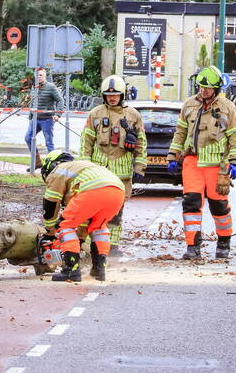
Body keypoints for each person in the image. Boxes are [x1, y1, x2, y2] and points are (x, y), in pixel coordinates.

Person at [167, 65, 236, 260]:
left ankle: (224, 243)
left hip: (217, 164)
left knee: (219, 206)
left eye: (207, 88)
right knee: (191, 204)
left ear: (216, 88)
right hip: (192, 161)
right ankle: (193, 246)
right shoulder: (189, 105)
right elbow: (180, 132)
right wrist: (173, 155)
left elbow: (235, 136)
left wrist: (235, 161)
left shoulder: (227, 108)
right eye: (200, 87)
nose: (203, 90)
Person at [79, 75, 147, 255]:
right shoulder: (96, 113)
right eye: (109, 95)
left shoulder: (133, 115)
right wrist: (84, 166)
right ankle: (88, 246)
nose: (112, 97)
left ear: (123, 94)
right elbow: (86, 141)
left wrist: (139, 166)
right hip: (98, 171)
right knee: (92, 209)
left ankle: (113, 246)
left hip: (122, 172)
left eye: (116, 94)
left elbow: (141, 143)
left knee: (116, 211)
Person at [40, 150, 126, 282]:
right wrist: (78, 239)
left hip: (93, 189)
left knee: (65, 224)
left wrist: (49, 233)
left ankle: (71, 270)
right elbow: (83, 219)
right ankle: (99, 269)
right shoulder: (81, 169)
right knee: (98, 227)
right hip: (117, 190)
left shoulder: (57, 171)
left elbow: (51, 204)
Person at [24, 68, 64, 165]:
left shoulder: (51, 87)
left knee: (49, 143)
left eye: (41, 75)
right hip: (35, 119)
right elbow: (32, 102)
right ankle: (37, 163)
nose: (39, 77)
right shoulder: (34, 87)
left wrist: (58, 115)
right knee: (28, 138)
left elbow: (60, 100)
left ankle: (53, 165)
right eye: (37, 75)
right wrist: (30, 115)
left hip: (47, 119)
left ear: (44, 76)